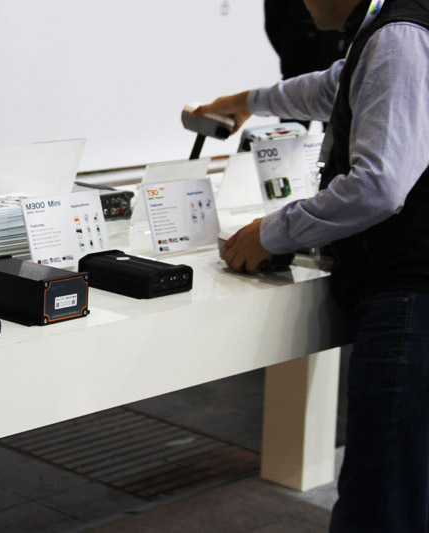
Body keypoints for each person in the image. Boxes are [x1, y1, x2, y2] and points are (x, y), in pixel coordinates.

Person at [193, 0, 429, 530]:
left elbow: (378, 187)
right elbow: (333, 88)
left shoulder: (399, 36)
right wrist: (248, 101)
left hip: (409, 297)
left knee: (381, 499)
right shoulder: (390, 31)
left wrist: (272, 232)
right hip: (406, 290)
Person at [264, 0, 346, 129]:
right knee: (291, 132)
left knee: (336, 133)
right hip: (297, 63)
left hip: (334, 62)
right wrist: (290, 53)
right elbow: (273, 24)